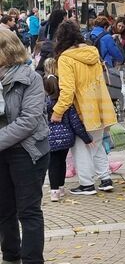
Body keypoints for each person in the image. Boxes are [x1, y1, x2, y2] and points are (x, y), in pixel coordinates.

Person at [0, 31, 50, 264]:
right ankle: (11, 256)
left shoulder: (31, 78)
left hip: (27, 151)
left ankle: (32, 262)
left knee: (28, 209)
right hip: (2, 151)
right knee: (3, 207)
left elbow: (28, 121)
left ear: (6, 51)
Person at [51, 21, 117, 196]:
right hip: (101, 106)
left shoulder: (65, 58)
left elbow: (67, 91)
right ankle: (105, 179)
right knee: (96, 144)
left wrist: (57, 112)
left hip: (83, 110)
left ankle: (87, 184)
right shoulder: (92, 52)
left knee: (81, 147)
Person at [42, 61, 92, 202]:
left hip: (50, 138)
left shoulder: (43, 104)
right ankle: (62, 187)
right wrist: (87, 138)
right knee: (62, 161)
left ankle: (54, 192)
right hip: (66, 138)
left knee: (52, 164)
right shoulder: (66, 104)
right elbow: (76, 123)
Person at [35, 9, 66, 75]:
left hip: (45, 51)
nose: (66, 19)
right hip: (53, 52)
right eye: (64, 17)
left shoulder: (46, 26)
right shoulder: (62, 29)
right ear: (60, 18)